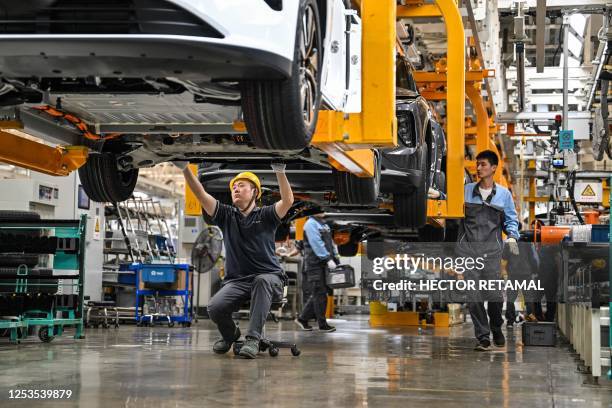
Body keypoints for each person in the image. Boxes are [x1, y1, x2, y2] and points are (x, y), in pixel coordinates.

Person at [177, 160, 293, 359]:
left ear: (255, 192)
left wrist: (280, 172)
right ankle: (231, 335)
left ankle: (253, 339)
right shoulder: (226, 215)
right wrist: (185, 169)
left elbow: (288, 201)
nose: (236, 189)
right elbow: (201, 195)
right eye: (234, 187)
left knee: (262, 280)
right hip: (238, 281)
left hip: (270, 278)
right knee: (214, 308)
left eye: (242, 186)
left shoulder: (266, 215)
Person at [455, 150, 520, 351]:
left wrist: (511, 236)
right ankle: (483, 336)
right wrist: (437, 195)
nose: (478, 167)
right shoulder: (465, 191)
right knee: (473, 298)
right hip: (468, 253)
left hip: (491, 254)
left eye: (483, 164)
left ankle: (496, 327)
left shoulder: (503, 195)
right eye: (477, 164)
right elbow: (449, 201)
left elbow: (511, 219)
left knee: (494, 296)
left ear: (493, 168)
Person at [294, 212, 339, 332]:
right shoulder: (310, 224)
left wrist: (335, 257)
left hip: (324, 264)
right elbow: (316, 244)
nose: (323, 211)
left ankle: (303, 319)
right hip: (314, 264)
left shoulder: (324, 224)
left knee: (319, 294)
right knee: (320, 293)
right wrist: (327, 258)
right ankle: (322, 324)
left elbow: (331, 243)